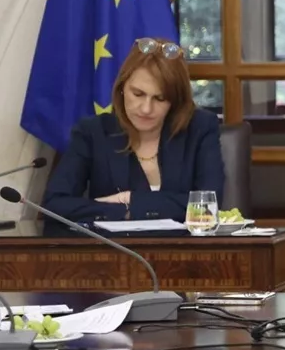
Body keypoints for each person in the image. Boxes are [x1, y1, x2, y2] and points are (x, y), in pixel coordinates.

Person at [42, 37, 225, 223]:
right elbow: (55, 204)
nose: (146, 109)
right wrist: (123, 212)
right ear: (122, 89)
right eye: (138, 94)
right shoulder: (92, 132)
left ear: (175, 100)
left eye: (160, 98)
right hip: (109, 243)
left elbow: (209, 205)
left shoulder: (200, 128)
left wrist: (130, 201)